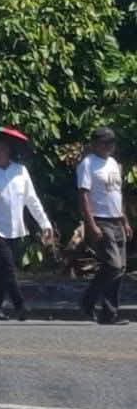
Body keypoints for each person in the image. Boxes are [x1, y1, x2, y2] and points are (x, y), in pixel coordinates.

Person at [0, 137, 53, 321]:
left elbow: (31, 200)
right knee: (8, 267)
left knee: (2, 271)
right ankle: (20, 305)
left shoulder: (20, 171)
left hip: (15, 228)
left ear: (8, 151)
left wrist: (44, 223)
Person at [77, 126, 129, 326]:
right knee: (113, 265)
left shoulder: (113, 163)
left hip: (116, 219)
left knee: (120, 268)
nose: (109, 146)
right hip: (100, 219)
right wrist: (91, 224)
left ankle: (109, 314)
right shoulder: (88, 164)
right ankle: (87, 300)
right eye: (104, 142)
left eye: (111, 142)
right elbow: (83, 195)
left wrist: (124, 220)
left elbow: (117, 194)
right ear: (95, 144)